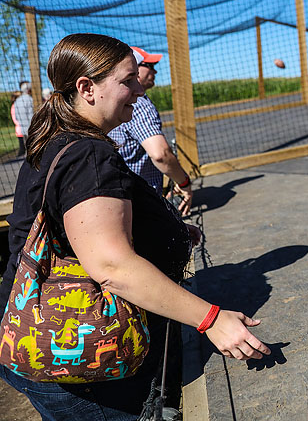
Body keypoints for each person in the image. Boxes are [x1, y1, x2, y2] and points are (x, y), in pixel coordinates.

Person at [0, 33, 269, 420]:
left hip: (32, 341)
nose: (138, 92)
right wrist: (210, 319)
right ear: (86, 88)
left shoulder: (56, 139)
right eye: (127, 81)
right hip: (78, 358)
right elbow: (111, 267)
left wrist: (162, 230)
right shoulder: (88, 156)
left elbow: (74, 229)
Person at [108, 46, 193, 216]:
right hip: (142, 203)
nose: (154, 71)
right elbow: (161, 154)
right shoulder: (140, 105)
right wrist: (184, 184)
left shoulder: (112, 103)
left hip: (118, 202)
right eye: (149, 65)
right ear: (133, 69)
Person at [11, 81, 34, 157]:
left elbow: (16, 117)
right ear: (28, 90)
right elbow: (32, 115)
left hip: (22, 129)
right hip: (31, 129)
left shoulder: (17, 101)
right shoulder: (30, 99)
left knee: (27, 151)